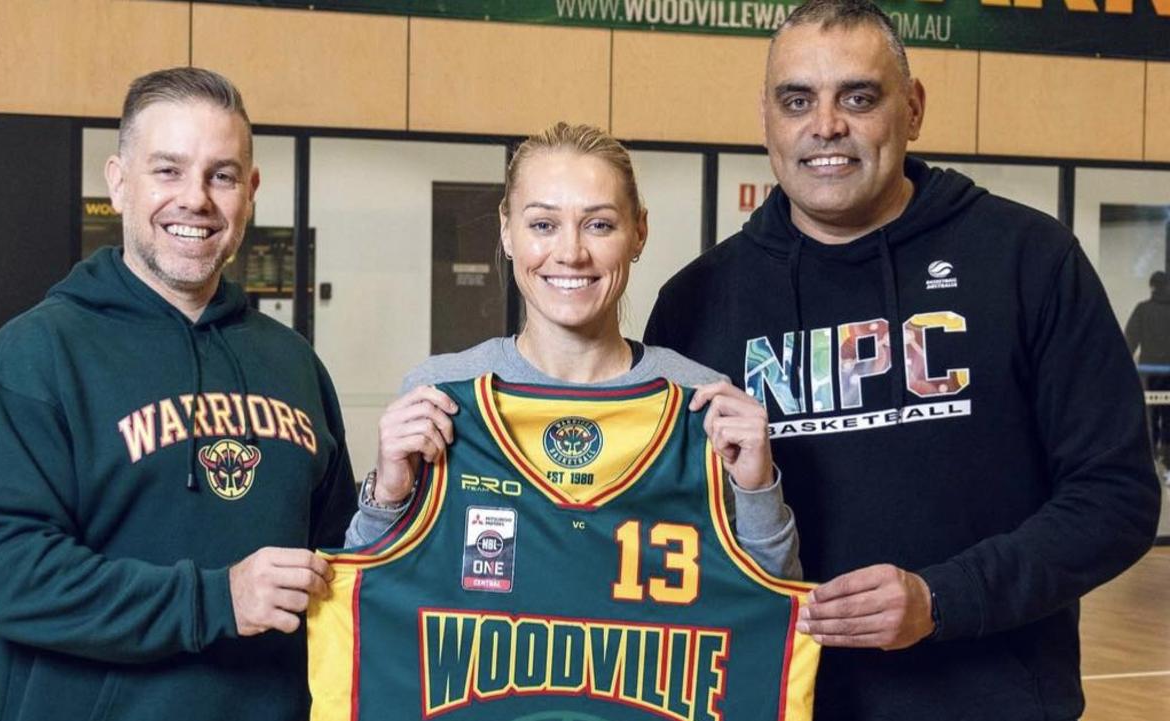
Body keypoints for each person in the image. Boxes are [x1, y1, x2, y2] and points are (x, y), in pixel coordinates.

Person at [643, 2, 1162, 720]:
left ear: (912, 108)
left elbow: (1117, 498)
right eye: (799, 100)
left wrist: (943, 599)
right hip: (777, 704)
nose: (826, 125)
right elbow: (657, 527)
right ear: (766, 117)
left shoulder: (1026, 260)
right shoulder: (697, 302)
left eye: (859, 97)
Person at [0, 67, 357, 721]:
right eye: (168, 170)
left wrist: (392, 497)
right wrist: (217, 600)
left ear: (250, 192)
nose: (195, 199)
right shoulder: (33, 361)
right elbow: (5, 574)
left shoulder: (293, 364)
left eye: (222, 175)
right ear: (118, 182)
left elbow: (337, 557)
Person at [344, 122, 800, 582]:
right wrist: (387, 494)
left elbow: (773, 616)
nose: (570, 252)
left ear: (638, 232)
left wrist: (758, 489)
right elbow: (369, 600)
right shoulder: (440, 394)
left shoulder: (702, 402)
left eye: (599, 225)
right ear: (507, 232)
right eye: (543, 224)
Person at [1125, 270, 1170, 467]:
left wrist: (1124, 367)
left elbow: (1130, 339)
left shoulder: (1142, 309)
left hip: (1148, 371)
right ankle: (1167, 455)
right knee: (1169, 413)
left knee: (1149, 414)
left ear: (1152, 287)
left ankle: (1151, 456)